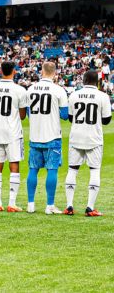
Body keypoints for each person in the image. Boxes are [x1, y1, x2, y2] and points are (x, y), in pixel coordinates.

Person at [64, 70, 112, 216]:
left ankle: (69, 206)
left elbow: (71, 118)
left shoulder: (74, 95)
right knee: (94, 170)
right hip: (94, 138)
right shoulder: (103, 96)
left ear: (83, 80)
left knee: (72, 170)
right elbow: (106, 120)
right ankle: (90, 208)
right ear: (97, 81)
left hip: (76, 137)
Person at [26, 61, 69, 214]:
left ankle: (30, 204)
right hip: (52, 136)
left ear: (42, 71)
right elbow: (65, 116)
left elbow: (28, 112)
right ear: (55, 73)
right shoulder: (59, 90)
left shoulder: (30, 89)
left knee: (33, 169)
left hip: (35, 135)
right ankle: (49, 206)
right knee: (52, 170)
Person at [0, 61, 28, 212]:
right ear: (14, 71)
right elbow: (23, 115)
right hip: (13, 132)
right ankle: (11, 203)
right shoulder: (19, 90)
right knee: (14, 166)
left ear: (0, 71)